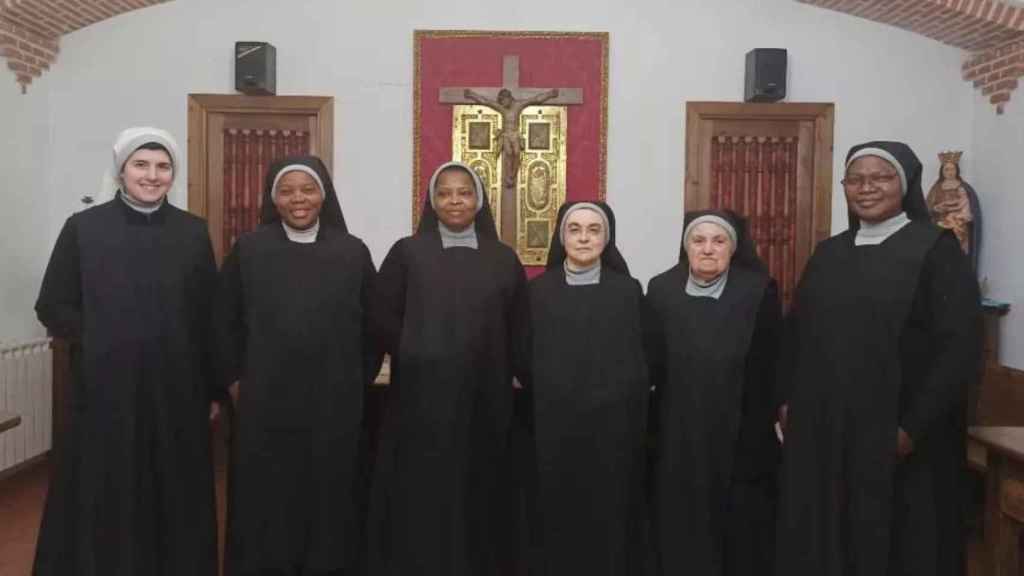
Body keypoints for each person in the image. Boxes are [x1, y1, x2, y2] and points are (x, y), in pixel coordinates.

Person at [775, 141, 981, 576]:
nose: (866, 188)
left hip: (899, 436)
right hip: (825, 433)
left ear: (904, 185)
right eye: (856, 179)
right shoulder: (829, 253)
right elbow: (796, 334)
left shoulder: (936, 249)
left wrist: (913, 426)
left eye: (880, 178)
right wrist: (787, 401)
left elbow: (958, 350)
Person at [33, 126, 219, 575]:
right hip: (104, 390)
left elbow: (209, 316)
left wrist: (212, 389)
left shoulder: (193, 233)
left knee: (170, 488)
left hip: (175, 391)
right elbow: (53, 304)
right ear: (121, 170)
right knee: (107, 486)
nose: (152, 176)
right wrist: (103, 336)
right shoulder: (83, 229)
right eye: (141, 165)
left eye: (163, 167)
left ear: (173, 173)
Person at [217, 156, 379, 576]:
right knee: (267, 498)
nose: (298, 199)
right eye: (286, 191)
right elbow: (223, 321)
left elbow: (373, 327)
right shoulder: (249, 249)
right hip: (265, 404)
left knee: (331, 496)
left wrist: (354, 382)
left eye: (307, 189)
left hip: (333, 404)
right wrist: (235, 381)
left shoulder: (352, 251)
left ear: (323, 196)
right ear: (274, 199)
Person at [367, 161, 528, 575]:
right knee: (425, 489)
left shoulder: (503, 258)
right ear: (432, 201)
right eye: (444, 193)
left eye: (464, 192)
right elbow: (380, 313)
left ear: (479, 200)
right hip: (421, 397)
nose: (454, 200)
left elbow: (520, 324)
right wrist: (412, 348)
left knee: (479, 486)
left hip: (485, 396)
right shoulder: (408, 252)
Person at [646, 209, 781, 576]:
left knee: (736, 530)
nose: (708, 249)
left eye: (719, 241)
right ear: (686, 246)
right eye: (698, 240)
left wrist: (759, 431)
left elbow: (770, 371)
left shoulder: (758, 291)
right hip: (677, 430)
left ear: (733, 248)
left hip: (738, 431)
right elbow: (649, 364)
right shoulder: (660, 289)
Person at [523, 202, 649, 575]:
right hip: (553, 427)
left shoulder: (628, 291)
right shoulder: (537, 292)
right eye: (574, 229)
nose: (583, 237)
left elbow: (646, 355)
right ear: (561, 237)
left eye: (594, 230)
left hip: (612, 430)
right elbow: (521, 354)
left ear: (606, 238)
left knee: (607, 513)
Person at [926, 152, 982, 271]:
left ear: (957, 170)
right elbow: (928, 209)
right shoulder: (936, 188)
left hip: (959, 226)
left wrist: (962, 217)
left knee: (958, 256)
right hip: (941, 227)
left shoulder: (964, 188)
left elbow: (970, 209)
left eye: (952, 169)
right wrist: (937, 208)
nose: (950, 172)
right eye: (946, 169)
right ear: (942, 171)